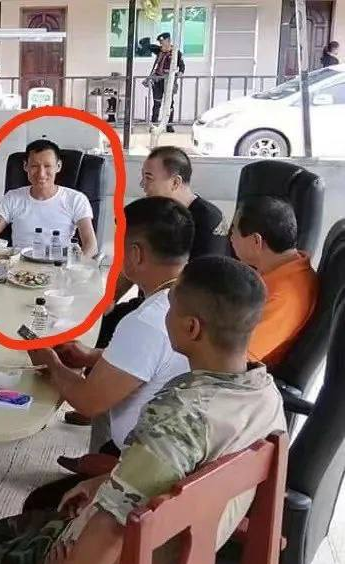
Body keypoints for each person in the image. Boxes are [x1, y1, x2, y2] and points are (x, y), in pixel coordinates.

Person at [0, 256, 285, 564]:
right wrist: (107, 482)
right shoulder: (264, 397)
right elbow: (169, 484)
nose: (165, 314)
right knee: (8, 532)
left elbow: (113, 529)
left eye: (171, 307)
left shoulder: (180, 419)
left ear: (191, 328)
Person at [25, 197, 193, 508]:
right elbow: (155, 361)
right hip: (180, 455)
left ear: (136, 254)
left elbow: (88, 402)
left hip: (147, 472)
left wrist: (49, 360)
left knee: (39, 504)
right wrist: (93, 356)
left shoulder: (146, 320)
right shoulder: (194, 297)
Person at [65, 147, 228, 428]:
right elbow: (133, 264)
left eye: (149, 178)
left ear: (175, 182)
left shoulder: (208, 221)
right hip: (152, 298)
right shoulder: (155, 214)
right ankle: (102, 393)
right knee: (106, 322)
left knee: (129, 329)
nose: (143, 185)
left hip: (185, 310)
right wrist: (110, 299)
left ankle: (95, 399)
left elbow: (203, 285)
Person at [230, 195, 318, 368]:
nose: (230, 236)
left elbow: (235, 357)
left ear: (256, 241)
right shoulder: (284, 268)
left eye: (234, 230)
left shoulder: (284, 297)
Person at [0, 139, 98, 257]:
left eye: (47, 166)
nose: (41, 174)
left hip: (59, 265)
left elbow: (91, 246)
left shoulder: (76, 199)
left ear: (58, 166)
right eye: (34, 166)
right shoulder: (12, 198)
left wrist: (75, 267)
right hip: (18, 266)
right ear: (25, 166)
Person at [144, 32, 185, 133]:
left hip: (169, 80)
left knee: (169, 103)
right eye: (160, 42)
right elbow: (147, 46)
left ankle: (169, 125)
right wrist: (159, 48)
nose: (161, 44)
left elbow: (182, 66)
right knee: (157, 103)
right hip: (158, 80)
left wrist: (179, 74)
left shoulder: (176, 52)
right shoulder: (159, 50)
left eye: (163, 42)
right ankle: (154, 125)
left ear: (168, 40)